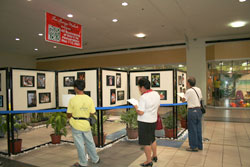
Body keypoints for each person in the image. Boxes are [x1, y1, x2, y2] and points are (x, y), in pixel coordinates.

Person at [67, 80, 100, 167]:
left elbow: (68, 114)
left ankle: (83, 162)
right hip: (86, 124)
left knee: (80, 144)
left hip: (76, 124)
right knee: (90, 142)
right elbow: (93, 113)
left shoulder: (72, 100)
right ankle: (95, 159)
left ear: (76, 88)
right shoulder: (89, 99)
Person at [133, 78, 160, 167]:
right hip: (153, 120)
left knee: (146, 142)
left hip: (144, 121)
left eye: (139, 87)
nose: (139, 89)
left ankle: (148, 161)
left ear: (143, 87)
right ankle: (154, 155)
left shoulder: (143, 97)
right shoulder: (156, 94)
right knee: (152, 138)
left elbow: (141, 112)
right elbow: (158, 106)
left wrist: (136, 107)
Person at [181, 77, 203, 152]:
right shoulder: (198, 89)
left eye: (187, 82)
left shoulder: (189, 91)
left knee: (192, 129)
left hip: (192, 111)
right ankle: (199, 145)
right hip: (199, 110)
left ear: (189, 83)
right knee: (198, 128)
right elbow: (200, 98)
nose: (186, 84)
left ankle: (193, 146)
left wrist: (182, 95)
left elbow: (183, 100)